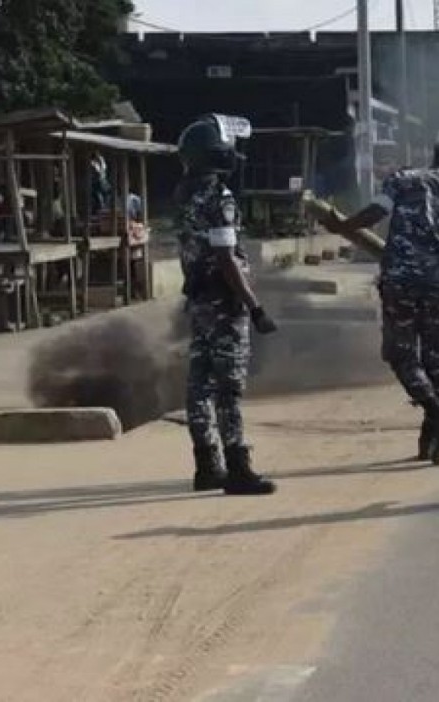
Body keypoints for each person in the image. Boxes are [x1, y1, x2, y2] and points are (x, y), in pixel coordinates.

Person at [316, 142, 439, 466]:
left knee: (400, 354)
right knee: (437, 362)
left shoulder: (404, 179)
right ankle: (431, 438)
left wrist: (342, 227)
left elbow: (375, 213)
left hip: (401, 282)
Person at [175, 114, 278, 495]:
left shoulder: (185, 194)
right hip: (224, 302)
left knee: (198, 385)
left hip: (199, 301)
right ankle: (237, 467)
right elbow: (225, 257)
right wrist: (254, 306)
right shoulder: (220, 198)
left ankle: (206, 465)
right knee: (228, 388)